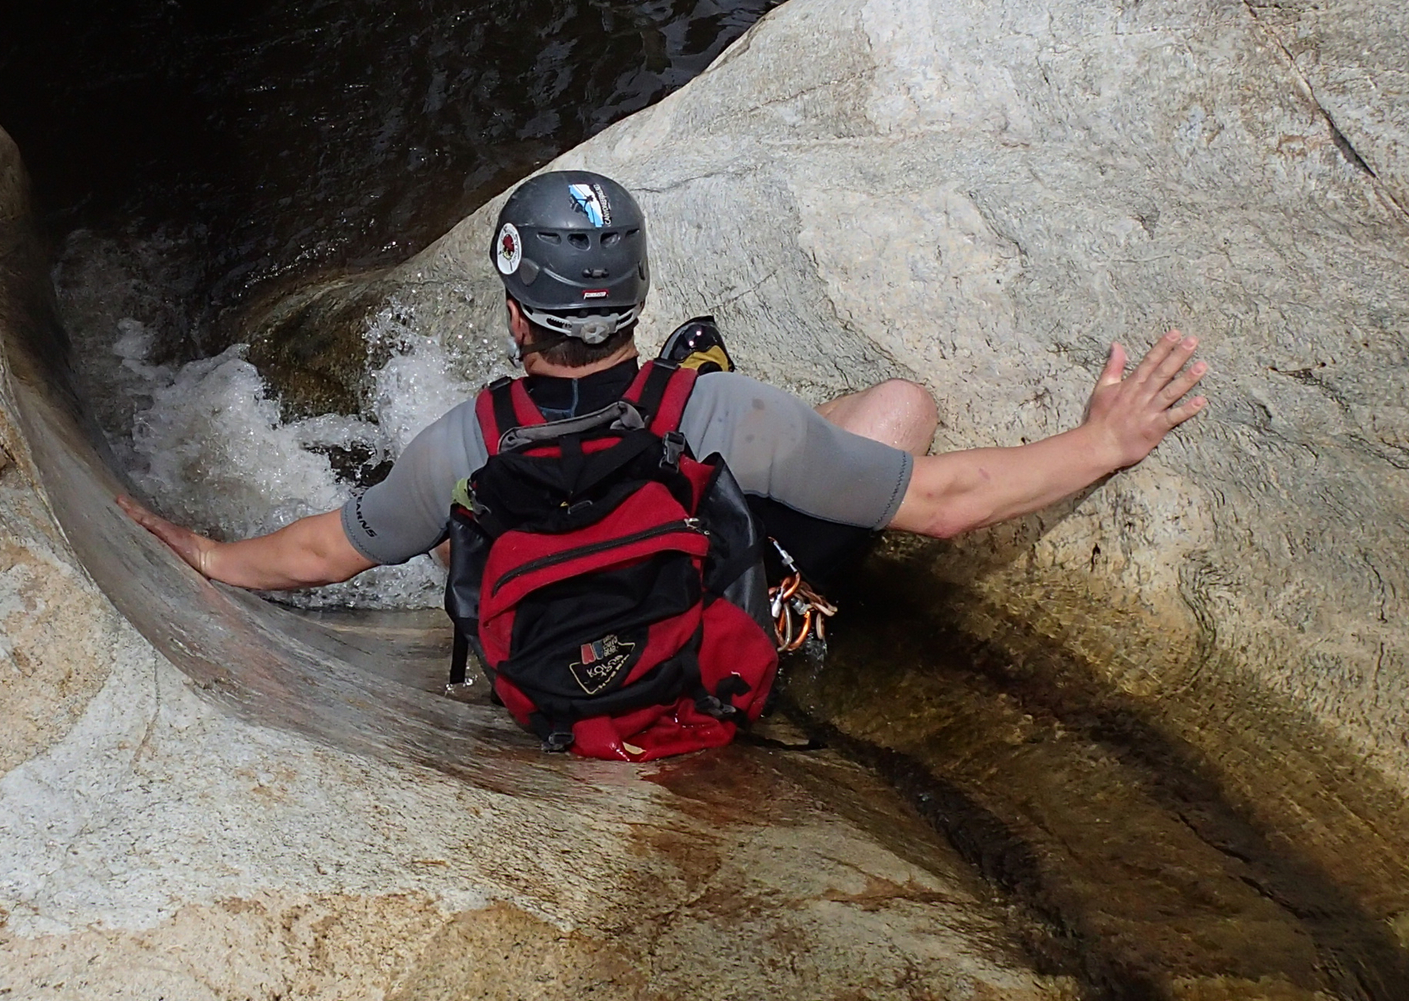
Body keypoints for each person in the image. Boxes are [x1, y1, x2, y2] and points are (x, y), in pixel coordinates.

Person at [122, 170, 1205, 750]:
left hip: (550, 697)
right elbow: (946, 502)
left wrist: (211, 559)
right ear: (629, 298)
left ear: (514, 313)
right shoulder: (721, 414)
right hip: (704, 674)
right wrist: (1103, 441)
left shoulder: (461, 443)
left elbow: (328, 550)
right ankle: (735, 496)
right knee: (898, 406)